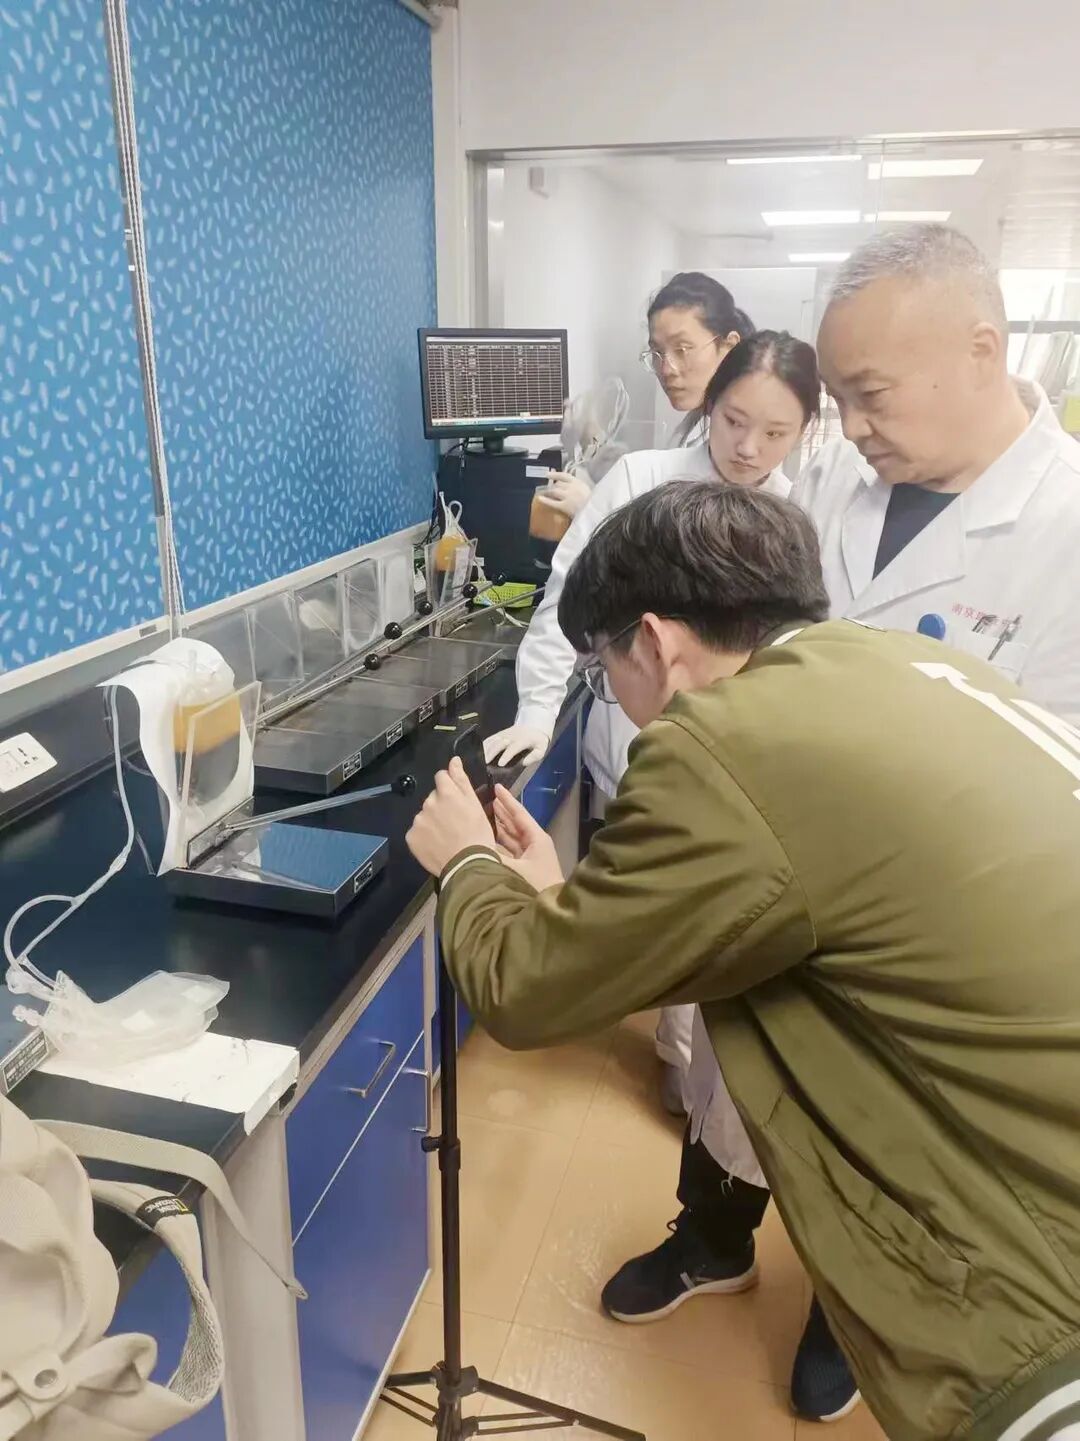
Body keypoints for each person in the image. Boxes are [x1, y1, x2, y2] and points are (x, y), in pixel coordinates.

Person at [407, 481, 1080, 1441]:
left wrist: (466, 863)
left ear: (655, 643)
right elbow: (764, 904)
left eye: (603, 669)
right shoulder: (892, 663)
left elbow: (521, 992)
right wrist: (564, 899)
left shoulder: (721, 747)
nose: (616, 695)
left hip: (1045, 1297)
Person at [606, 223, 1080, 1427]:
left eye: (870, 393)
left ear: (983, 349)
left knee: (876, 1137)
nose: (850, 425)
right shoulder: (835, 483)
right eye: (842, 401)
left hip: (927, 934)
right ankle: (712, 1241)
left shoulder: (1065, 530)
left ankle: (844, 1315)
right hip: (775, 860)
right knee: (736, 1074)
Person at [485, 331, 820, 1115]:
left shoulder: (805, 510)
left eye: (776, 432)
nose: (748, 447)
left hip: (751, 758)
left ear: (807, 429)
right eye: (733, 420)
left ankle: (698, 1065)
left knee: (725, 918)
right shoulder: (642, 477)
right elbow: (569, 599)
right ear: (711, 404)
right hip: (641, 739)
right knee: (666, 903)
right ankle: (676, 1054)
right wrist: (538, 709)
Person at [537, 272, 753, 523]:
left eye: (682, 349)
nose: (667, 369)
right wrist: (591, 435)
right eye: (657, 352)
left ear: (729, 346)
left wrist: (591, 510)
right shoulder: (699, 421)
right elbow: (647, 486)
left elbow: (681, 538)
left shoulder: (738, 444)